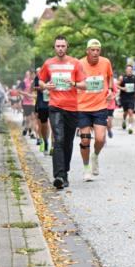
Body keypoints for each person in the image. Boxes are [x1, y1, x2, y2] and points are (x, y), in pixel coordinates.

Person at [38, 35, 87, 189]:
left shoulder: (75, 63)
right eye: (57, 46)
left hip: (72, 107)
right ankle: (59, 175)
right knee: (58, 139)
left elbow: (84, 85)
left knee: (68, 142)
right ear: (54, 47)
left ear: (67, 47)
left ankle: (65, 172)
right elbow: (39, 81)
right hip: (55, 106)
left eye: (63, 46)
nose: (60, 48)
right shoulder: (48, 63)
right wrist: (45, 86)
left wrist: (73, 83)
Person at [76, 39, 114, 182]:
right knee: (85, 140)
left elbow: (110, 77)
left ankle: (95, 155)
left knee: (100, 139)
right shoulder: (79, 64)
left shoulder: (106, 62)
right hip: (83, 107)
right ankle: (86, 169)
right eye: (92, 50)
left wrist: (110, 89)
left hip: (100, 106)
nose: (95, 53)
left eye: (98, 50)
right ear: (87, 51)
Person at [35, 76, 51, 156]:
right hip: (42, 105)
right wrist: (44, 87)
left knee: (55, 125)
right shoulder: (38, 77)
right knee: (43, 125)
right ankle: (45, 141)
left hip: (55, 104)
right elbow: (34, 87)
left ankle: (54, 146)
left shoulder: (57, 74)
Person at [119, 64, 135, 133]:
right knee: (125, 112)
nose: (129, 71)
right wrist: (122, 88)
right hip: (124, 97)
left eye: (130, 70)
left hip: (132, 97)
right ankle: (124, 120)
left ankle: (130, 127)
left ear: (132, 71)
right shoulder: (122, 78)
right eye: (128, 70)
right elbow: (116, 85)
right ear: (126, 70)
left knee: (130, 112)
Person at [19, 70, 37, 138]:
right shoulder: (24, 82)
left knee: (33, 117)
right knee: (28, 119)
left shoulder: (36, 82)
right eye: (32, 75)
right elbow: (19, 91)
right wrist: (26, 94)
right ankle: (26, 128)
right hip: (26, 103)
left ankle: (32, 133)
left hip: (34, 102)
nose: (33, 76)